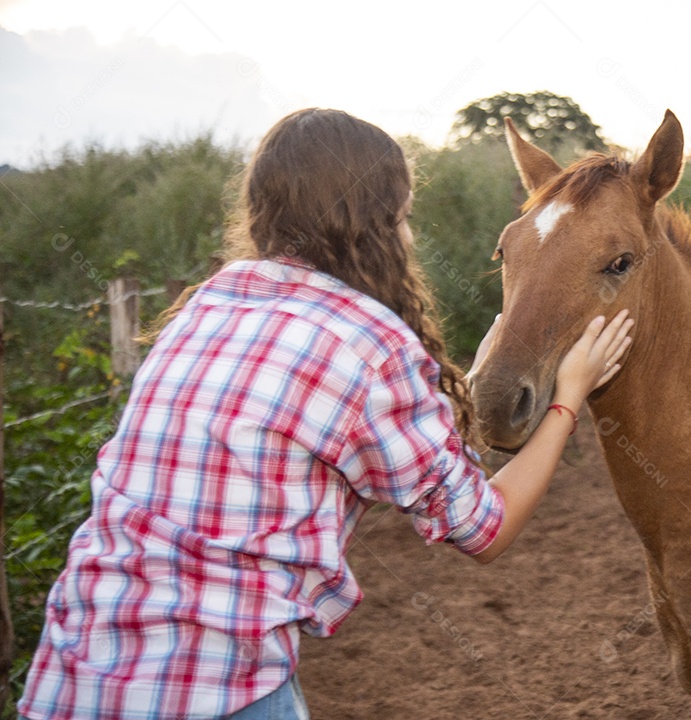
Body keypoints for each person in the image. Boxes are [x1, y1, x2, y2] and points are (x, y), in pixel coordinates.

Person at [17, 108, 633, 720]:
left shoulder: (207, 305)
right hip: (218, 688)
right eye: (404, 216)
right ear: (379, 223)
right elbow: (484, 528)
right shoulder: (369, 343)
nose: (410, 234)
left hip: (69, 673)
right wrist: (567, 397)